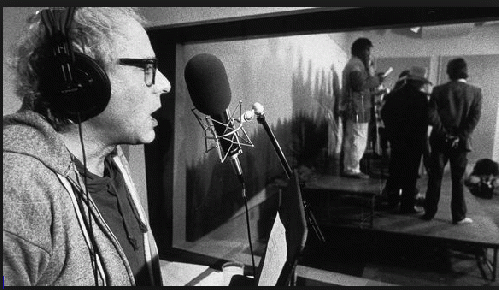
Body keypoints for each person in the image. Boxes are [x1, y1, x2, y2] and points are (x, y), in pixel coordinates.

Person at [3, 7, 171, 286]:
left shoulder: (111, 160)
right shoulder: (17, 187)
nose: (164, 84)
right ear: (81, 79)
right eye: (148, 68)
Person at [422, 58, 482, 224]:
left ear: (449, 72)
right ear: (465, 71)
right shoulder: (475, 92)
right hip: (461, 143)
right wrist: (459, 136)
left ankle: (429, 212)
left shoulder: (439, 90)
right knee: (458, 180)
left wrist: (444, 134)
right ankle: (458, 216)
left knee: (435, 178)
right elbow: (474, 118)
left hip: (440, 140)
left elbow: (431, 115)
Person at [381, 66, 431, 213]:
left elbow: (385, 114)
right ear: (418, 82)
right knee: (410, 174)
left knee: (395, 171)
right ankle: (406, 206)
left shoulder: (395, 95)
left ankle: (392, 201)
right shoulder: (422, 98)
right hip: (414, 142)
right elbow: (423, 123)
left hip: (397, 140)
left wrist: (392, 134)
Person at [340, 37, 385, 179]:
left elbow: (362, 88)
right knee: (357, 139)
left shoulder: (356, 64)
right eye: (367, 50)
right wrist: (377, 80)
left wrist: (375, 82)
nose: (369, 54)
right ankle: (352, 169)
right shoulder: (356, 64)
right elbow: (359, 85)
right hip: (357, 108)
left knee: (356, 138)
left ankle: (351, 167)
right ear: (360, 50)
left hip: (359, 107)